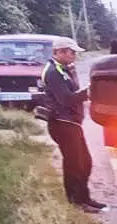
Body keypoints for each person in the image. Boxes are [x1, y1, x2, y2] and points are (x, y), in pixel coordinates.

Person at [41, 37, 105, 214]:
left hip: (72, 123)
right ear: (59, 52)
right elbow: (66, 99)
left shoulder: (64, 69)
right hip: (62, 123)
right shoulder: (53, 72)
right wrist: (89, 92)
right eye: (71, 52)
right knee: (74, 164)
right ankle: (76, 201)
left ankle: (84, 197)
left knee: (85, 162)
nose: (74, 55)